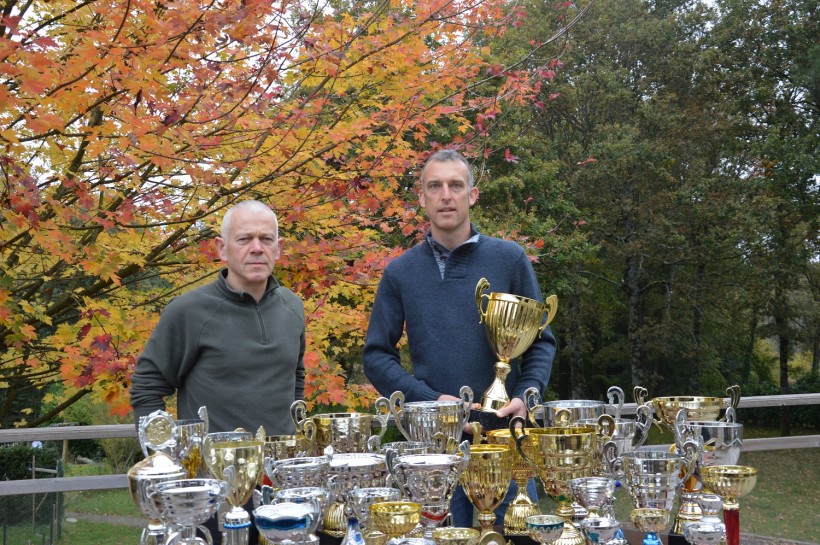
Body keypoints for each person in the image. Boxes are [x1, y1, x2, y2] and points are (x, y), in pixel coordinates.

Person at [363, 149, 557, 527]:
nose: (445, 195)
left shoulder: (509, 259)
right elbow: (376, 357)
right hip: (434, 452)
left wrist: (526, 395)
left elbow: (541, 341)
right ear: (421, 198)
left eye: (456, 185)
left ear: (472, 195)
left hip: (505, 444)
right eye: (435, 186)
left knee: (511, 537)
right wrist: (433, 403)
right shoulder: (400, 272)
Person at [130, 199, 306, 545]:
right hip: (210, 494)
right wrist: (168, 467)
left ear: (279, 248)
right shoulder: (189, 311)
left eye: (266, 239)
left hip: (282, 487)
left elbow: (295, 378)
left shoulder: (293, 307)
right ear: (221, 249)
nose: (257, 249)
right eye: (244, 240)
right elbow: (147, 387)